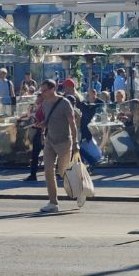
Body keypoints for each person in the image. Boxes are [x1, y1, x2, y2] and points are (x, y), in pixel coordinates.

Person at [40, 79, 81, 212]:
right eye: (42, 90)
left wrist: (75, 142)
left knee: (63, 172)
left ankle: (79, 191)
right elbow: (48, 120)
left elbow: (72, 124)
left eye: (45, 90)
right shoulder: (45, 103)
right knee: (48, 171)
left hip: (64, 141)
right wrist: (43, 127)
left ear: (53, 89)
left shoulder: (64, 103)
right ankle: (53, 202)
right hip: (50, 140)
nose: (42, 93)